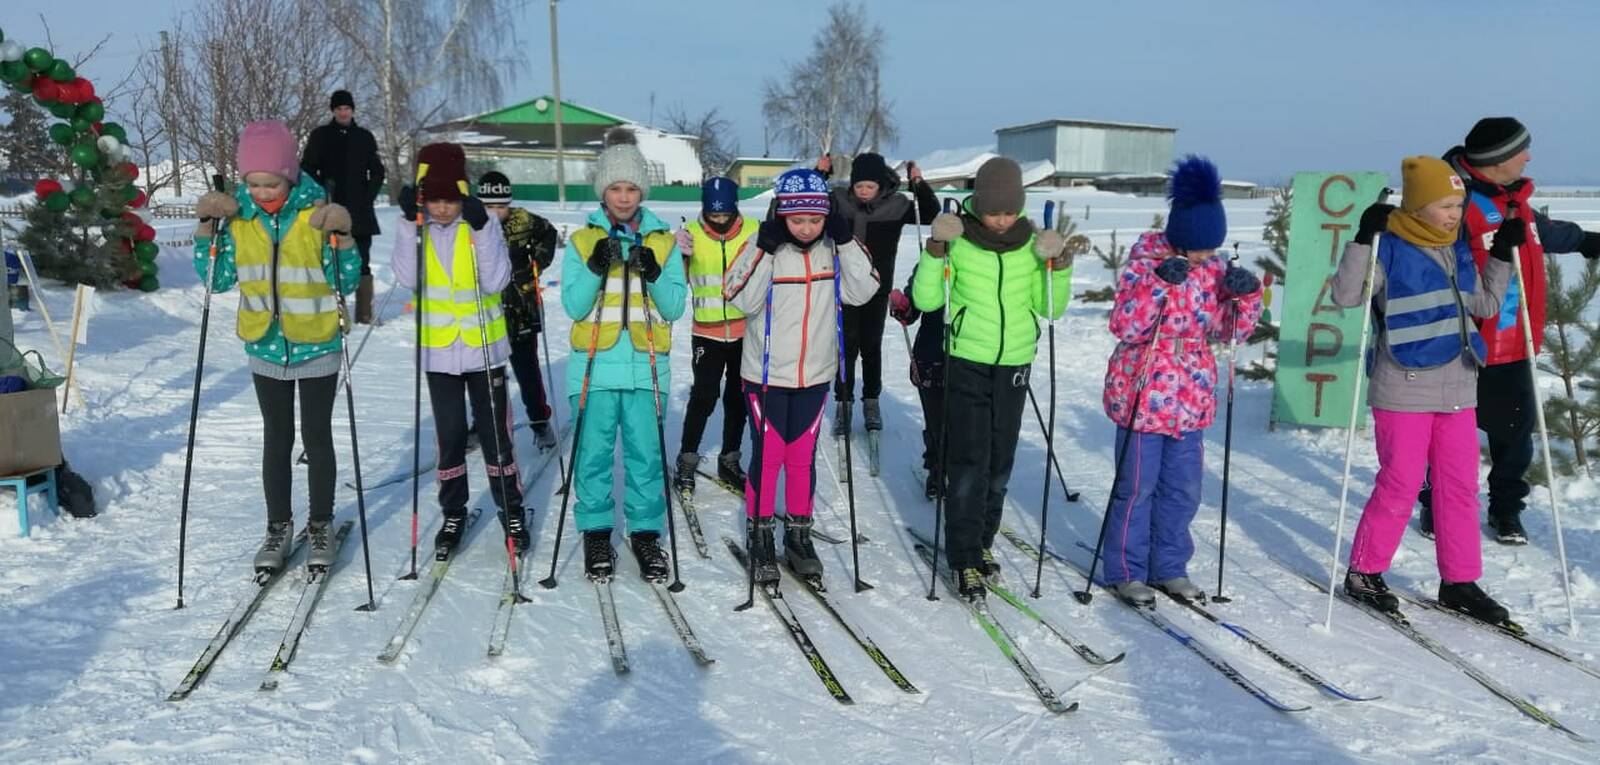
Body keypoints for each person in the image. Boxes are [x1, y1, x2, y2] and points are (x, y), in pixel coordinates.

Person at [1334, 156, 1516, 624]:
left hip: (1458, 384)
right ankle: (1364, 572)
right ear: (1417, 206)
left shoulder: (1455, 249)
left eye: (1458, 205)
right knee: (1402, 481)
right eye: (1444, 206)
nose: (1454, 214)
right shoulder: (1388, 248)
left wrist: (1499, 257)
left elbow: (1487, 304)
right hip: (1403, 387)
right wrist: (1361, 239)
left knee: (1459, 487)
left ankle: (1459, 580)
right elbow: (1347, 296)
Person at [1416, 118, 1600, 545]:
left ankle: (1505, 510)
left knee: (1514, 433)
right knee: (1445, 431)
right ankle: (1437, 504)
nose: (1529, 156)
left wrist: (1589, 241)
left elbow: (1545, 233)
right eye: (1522, 150)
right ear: (1497, 159)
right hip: (1464, 341)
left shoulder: (1515, 199)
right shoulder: (1453, 202)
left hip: (1515, 339)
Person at [192, 120, 361, 573]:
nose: (263, 191)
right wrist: (208, 230)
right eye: (254, 182)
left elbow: (345, 280)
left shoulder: (315, 214)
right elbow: (218, 279)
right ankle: (278, 525)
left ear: (290, 174)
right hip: (265, 346)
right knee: (276, 439)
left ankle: (320, 522)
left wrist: (344, 239)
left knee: (317, 437)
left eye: (271, 182)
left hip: (317, 342)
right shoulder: (239, 219)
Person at [1095, 156, 1263, 607]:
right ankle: (1126, 569)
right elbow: (1126, 326)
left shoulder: (1213, 271)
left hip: (1190, 398)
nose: (1208, 257)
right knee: (1136, 488)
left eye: (1213, 249)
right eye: (1201, 248)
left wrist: (1247, 296)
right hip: (1144, 394)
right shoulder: (1144, 261)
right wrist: (1156, 286)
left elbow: (1231, 331)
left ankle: (1169, 566)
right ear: (1181, 239)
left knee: (1184, 490)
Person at [910, 157, 1073, 600]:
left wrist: (1059, 265)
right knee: (968, 463)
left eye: (1007, 212)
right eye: (992, 211)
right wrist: (935, 250)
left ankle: (982, 543)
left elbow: (1050, 307)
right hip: (966, 359)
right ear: (978, 205)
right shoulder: (959, 238)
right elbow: (926, 300)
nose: (1000, 221)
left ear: (1018, 207)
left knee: (999, 464)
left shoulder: (1030, 244)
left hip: (1015, 363)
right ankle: (963, 558)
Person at [723, 168, 880, 582]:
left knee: (801, 456)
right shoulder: (763, 245)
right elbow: (739, 299)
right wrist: (765, 250)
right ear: (781, 216)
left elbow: (863, 291)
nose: (807, 228)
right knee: (770, 454)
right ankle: (761, 533)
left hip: (814, 374)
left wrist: (846, 242)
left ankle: (798, 533)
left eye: (816, 219)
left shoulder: (834, 248)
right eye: (797, 220)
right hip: (765, 374)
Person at [559, 128, 688, 582]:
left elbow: (674, 307)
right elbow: (573, 306)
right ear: (603, 190)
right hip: (594, 368)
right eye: (615, 187)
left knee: (646, 455)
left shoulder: (665, 242)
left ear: (642, 191)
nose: (624, 196)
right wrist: (596, 267)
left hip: (646, 368)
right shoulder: (580, 241)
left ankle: (646, 532)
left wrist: (653, 271)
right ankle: (596, 531)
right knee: (592, 455)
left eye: (632, 187)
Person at [390, 143, 530, 558]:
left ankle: (512, 510)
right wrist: (405, 222)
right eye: (434, 199)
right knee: (449, 438)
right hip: (438, 353)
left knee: (495, 437)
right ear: (422, 197)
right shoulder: (419, 228)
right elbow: (405, 277)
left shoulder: (480, 225)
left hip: (482, 350)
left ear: (463, 195)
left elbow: (497, 281)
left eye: (450, 199)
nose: (443, 208)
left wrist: (483, 230)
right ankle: (453, 511)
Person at [816, 152, 939, 439]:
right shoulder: (838, 201)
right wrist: (820, 173)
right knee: (845, 347)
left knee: (871, 346)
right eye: (859, 186)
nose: (864, 192)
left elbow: (931, 213)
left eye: (869, 187)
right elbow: (811, 202)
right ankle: (843, 404)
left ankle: (871, 402)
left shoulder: (896, 206)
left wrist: (918, 182)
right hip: (843, 287)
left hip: (877, 289)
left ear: (881, 184)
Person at [672, 177, 754, 493]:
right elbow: (675, 285)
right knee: (704, 397)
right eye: (712, 215)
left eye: (725, 215)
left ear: (735, 209)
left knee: (738, 398)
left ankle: (729, 460)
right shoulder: (689, 234)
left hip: (746, 331)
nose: (719, 221)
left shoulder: (754, 231)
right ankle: (687, 460)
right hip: (706, 333)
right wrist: (676, 256)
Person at [477, 171, 560, 450]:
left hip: (521, 309)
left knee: (527, 373)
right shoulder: (471, 224)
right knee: (485, 374)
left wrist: (537, 261)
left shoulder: (524, 220)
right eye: (489, 206)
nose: (495, 212)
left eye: (501, 206)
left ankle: (539, 421)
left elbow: (549, 233)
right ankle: (482, 424)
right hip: (486, 312)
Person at [300, 89, 386, 324]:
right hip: (330, 209)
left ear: (352, 110)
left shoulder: (364, 137)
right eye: (339, 109)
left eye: (347, 108)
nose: (343, 112)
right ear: (333, 111)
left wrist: (367, 196)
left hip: (360, 211)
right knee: (330, 259)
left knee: (362, 261)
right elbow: (307, 168)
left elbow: (378, 171)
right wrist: (321, 194)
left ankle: (364, 314)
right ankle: (336, 311)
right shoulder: (320, 136)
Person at [888, 271, 945, 500]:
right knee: (937, 422)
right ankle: (938, 473)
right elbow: (915, 303)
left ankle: (969, 479)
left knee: (970, 425)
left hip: (975, 358)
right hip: (933, 356)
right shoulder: (934, 259)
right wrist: (904, 306)